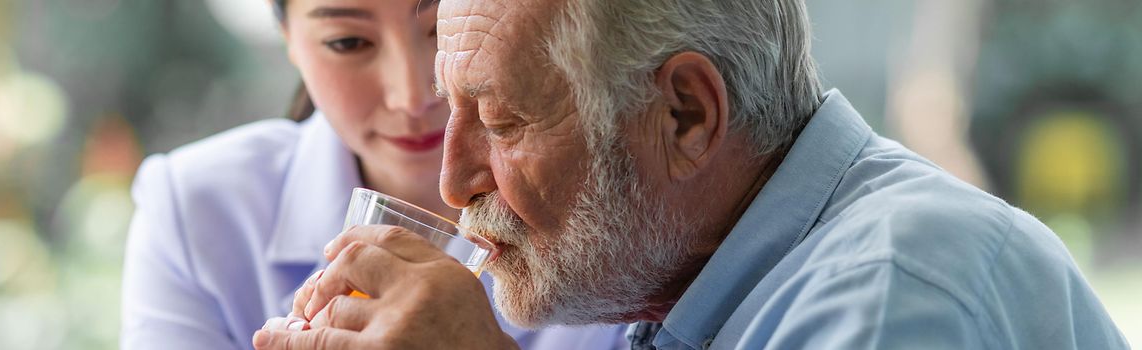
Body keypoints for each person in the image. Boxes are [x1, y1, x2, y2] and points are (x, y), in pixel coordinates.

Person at [255, 0, 1131, 349]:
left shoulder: (888, 294)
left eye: (504, 119)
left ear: (686, 116)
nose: (451, 183)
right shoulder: (688, 297)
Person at [119, 0, 625, 348]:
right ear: (289, 42)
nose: (412, 95)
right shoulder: (196, 210)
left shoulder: (625, 197)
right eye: (347, 43)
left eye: (444, 27)